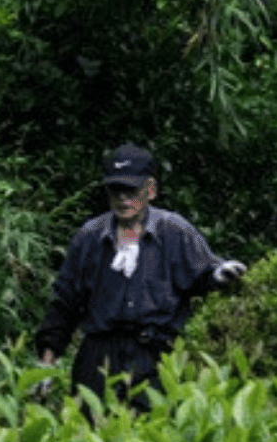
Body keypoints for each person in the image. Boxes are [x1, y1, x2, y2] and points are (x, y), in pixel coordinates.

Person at [33, 144, 243, 413]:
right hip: (97, 356)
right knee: (89, 435)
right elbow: (65, 303)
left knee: (151, 434)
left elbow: (204, 276)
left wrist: (220, 274)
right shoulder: (90, 236)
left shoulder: (174, 231)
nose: (123, 198)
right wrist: (46, 363)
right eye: (115, 190)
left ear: (150, 190)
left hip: (153, 355)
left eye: (131, 190)